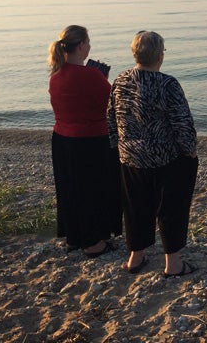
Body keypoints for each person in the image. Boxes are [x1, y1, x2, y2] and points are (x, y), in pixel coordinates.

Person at [108, 31, 199, 277]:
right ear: (159, 56)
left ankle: (135, 258)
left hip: (130, 156)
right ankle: (174, 263)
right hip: (165, 158)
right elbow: (182, 124)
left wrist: (119, 146)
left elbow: (111, 118)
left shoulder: (121, 80)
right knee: (173, 207)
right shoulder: (168, 84)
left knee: (135, 206)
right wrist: (190, 151)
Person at [48, 25, 122, 258]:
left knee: (70, 189)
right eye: (88, 42)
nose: (89, 46)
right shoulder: (90, 75)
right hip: (91, 140)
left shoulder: (56, 75)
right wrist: (102, 79)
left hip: (62, 139)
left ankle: (74, 236)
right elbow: (112, 104)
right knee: (94, 190)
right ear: (81, 46)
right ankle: (92, 241)